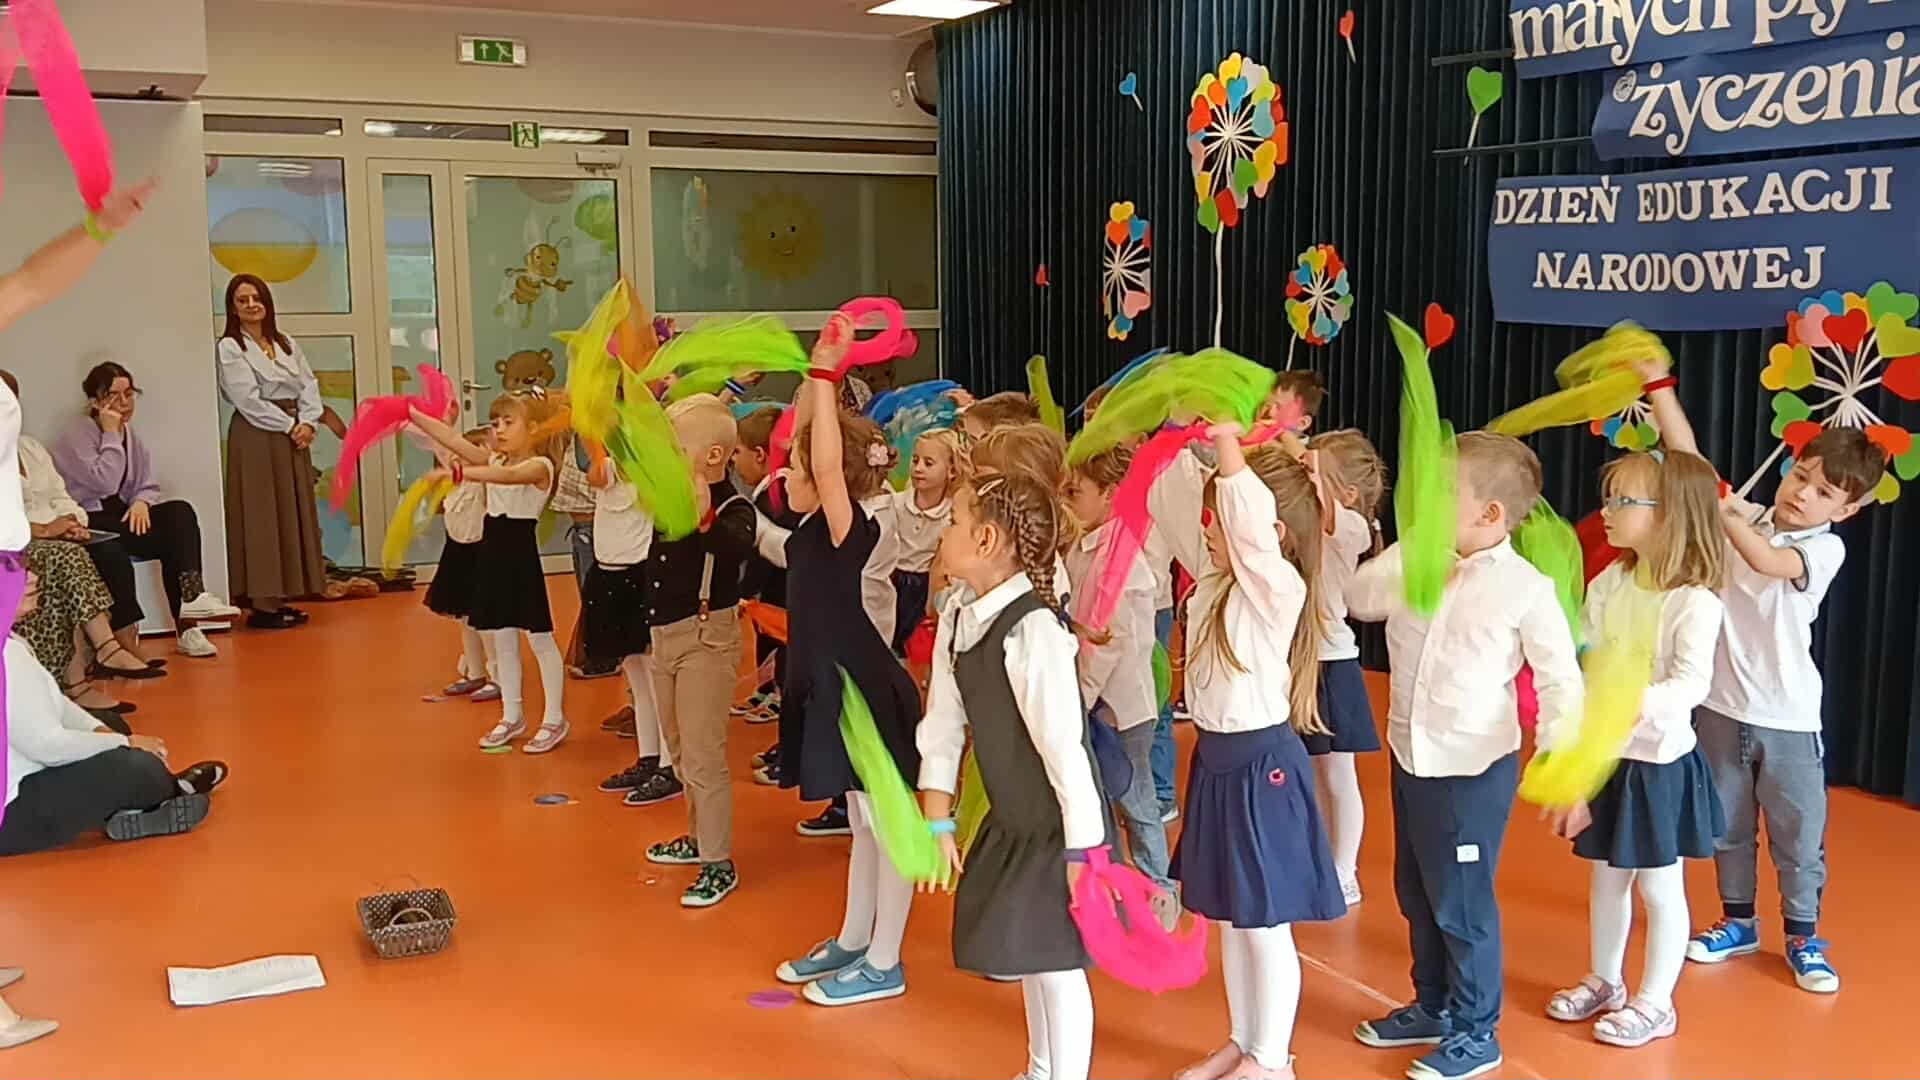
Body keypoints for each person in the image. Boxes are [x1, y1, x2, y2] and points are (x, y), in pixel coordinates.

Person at [1345, 432, 1584, 1080]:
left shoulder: (1525, 589)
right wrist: (1410, 565)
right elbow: (1359, 598)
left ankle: (1478, 1031)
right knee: (1416, 891)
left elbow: (1560, 681)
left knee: (1461, 903)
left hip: (1471, 771)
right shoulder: (1416, 556)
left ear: (1490, 514)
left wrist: (1563, 769)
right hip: (1411, 756)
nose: (1428, 500)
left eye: (1446, 492)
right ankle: (1434, 1005)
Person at [1641, 365, 1880, 993]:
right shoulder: (1747, 514)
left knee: (1798, 837)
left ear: (1847, 510)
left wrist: (1723, 513)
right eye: (1801, 476)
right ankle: (1738, 921)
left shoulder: (1824, 549)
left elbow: (1768, 560)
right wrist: (1659, 387)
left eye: (1824, 492)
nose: (1803, 495)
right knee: (1728, 825)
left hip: (1788, 718)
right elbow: (1688, 458)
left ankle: (1803, 936)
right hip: (1720, 708)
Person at [1150, 432, 1346, 1080]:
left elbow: (1249, 526)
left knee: (1264, 926)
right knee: (1231, 920)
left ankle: (1272, 1059)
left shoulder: (1276, 588)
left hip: (1263, 770)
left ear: (1272, 532)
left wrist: (1232, 447)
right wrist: (1179, 431)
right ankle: (1243, 1041)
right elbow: (1172, 497)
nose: (1209, 526)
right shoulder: (1214, 578)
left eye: (1221, 515)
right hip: (1216, 766)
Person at [917, 466, 1107, 1080]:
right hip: (1015, 819)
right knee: (1030, 951)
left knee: (1057, 963)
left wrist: (1084, 854)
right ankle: (1041, 1068)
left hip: (1059, 826)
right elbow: (943, 722)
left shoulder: (1033, 630)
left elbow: (1066, 753)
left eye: (954, 521)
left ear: (986, 540)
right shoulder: (958, 615)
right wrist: (937, 818)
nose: (943, 532)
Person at [1544, 450, 1727, 1048]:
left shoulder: (1694, 601)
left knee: (1659, 886)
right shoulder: (1610, 582)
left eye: (1623, 501)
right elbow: (1586, 653)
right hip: (1609, 758)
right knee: (1607, 877)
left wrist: (1630, 700)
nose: (1606, 511)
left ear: (1670, 513)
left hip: (1658, 765)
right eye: (1609, 498)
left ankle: (1656, 1002)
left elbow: (1690, 684)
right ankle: (1606, 980)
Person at [771, 321, 924, 1006]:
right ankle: (856, 938)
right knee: (863, 822)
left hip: (864, 688)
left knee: (887, 826)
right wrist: (814, 381)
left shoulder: (849, 526)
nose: (786, 474)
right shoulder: (810, 527)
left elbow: (829, 466)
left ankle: (886, 961)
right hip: (830, 686)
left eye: (796, 469)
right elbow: (813, 451)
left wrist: (826, 378)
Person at [1, 571, 227, 856]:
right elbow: (47, 745)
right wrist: (124, 743)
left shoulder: (11, 642)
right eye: (13, 570)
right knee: (137, 767)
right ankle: (171, 790)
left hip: (20, 781)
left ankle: (134, 809)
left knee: (108, 723)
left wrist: (101, 733)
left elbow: (57, 704)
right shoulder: (7, 654)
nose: (33, 577)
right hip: (11, 816)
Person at [642, 394, 756, 908]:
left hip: (706, 640)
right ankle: (696, 836)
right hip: (664, 637)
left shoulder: (734, 509)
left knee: (704, 754)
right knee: (681, 749)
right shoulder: (668, 503)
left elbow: (730, 549)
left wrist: (700, 506)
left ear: (712, 456)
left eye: (676, 446)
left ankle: (717, 861)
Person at [410, 391, 570, 753]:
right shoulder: (495, 457)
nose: (498, 429)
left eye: (508, 422)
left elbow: (508, 476)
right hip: (492, 556)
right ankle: (512, 714)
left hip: (520, 558)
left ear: (533, 428)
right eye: (495, 422)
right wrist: (414, 415)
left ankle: (554, 718)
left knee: (539, 639)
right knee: (502, 638)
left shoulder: (540, 466)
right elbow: (453, 440)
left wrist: (457, 472)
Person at [50, 361, 237, 651]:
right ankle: (138, 634)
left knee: (179, 515)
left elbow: (146, 483)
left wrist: (140, 502)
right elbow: (105, 483)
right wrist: (110, 433)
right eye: (113, 395)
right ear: (95, 401)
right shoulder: (77, 433)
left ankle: (190, 610)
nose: (124, 403)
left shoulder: (129, 434)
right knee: (123, 547)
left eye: (129, 394)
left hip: (122, 516)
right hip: (90, 521)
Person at [1061, 445, 1173, 919]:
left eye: (1076, 492)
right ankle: (1118, 892)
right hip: (1096, 700)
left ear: (1109, 494)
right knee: (1103, 801)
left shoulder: (1124, 559)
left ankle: (1159, 891)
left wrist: (1081, 698)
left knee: (1136, 800)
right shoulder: (1085, 545)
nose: (1068, 500)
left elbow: (1109, 639)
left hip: (1120, 707)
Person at [1302, 429, 1387, 906]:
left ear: (1349, 493)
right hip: (1300, 662)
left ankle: (1344, 869)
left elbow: (1332, 516)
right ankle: (1319, 858)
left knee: (1338, 774)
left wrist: (1293, 446)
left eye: (1313, 472)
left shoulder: (1352, 526)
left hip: (1332, 662)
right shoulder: (1309, 522)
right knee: (1312, 772)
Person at [214, 274, 329, 628]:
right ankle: (262, 602)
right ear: (233, 308)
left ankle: (282, 596)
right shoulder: (230, 347)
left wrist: (308, 422)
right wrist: (289, 426)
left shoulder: (285, 342)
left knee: (289, 513)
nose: (251, 305)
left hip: (293, 434)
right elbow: (247, 399)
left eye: (256, 298)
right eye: (242, 300)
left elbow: (308, 384)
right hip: (258, 435)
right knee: (262, 515)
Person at [584, 433, 678, 809]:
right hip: (609, 577)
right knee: (635, 673)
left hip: (640, 578)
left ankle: (670, 765)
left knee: (655, 677)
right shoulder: (607, 469)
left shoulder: (651, 474)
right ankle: (649, 756)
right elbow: (596, 469)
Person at [421, 426, 499, 704]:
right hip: (458, 553)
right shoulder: (455, 486)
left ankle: (497, 675)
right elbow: (441, 446)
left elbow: (491, 470)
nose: (456, 458)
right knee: (465, 618)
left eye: (465, 454)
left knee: (485, 619)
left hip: (482, 553)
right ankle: (475, 671)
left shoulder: (484, 485)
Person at [889, 429, 960, 655]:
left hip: (924, 587)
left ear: (951, 471)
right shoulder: (896, 504)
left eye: (928, 463)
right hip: (892, 580)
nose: (918, 468)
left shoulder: (952, 514)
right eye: (915, 460)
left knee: (915, 648)